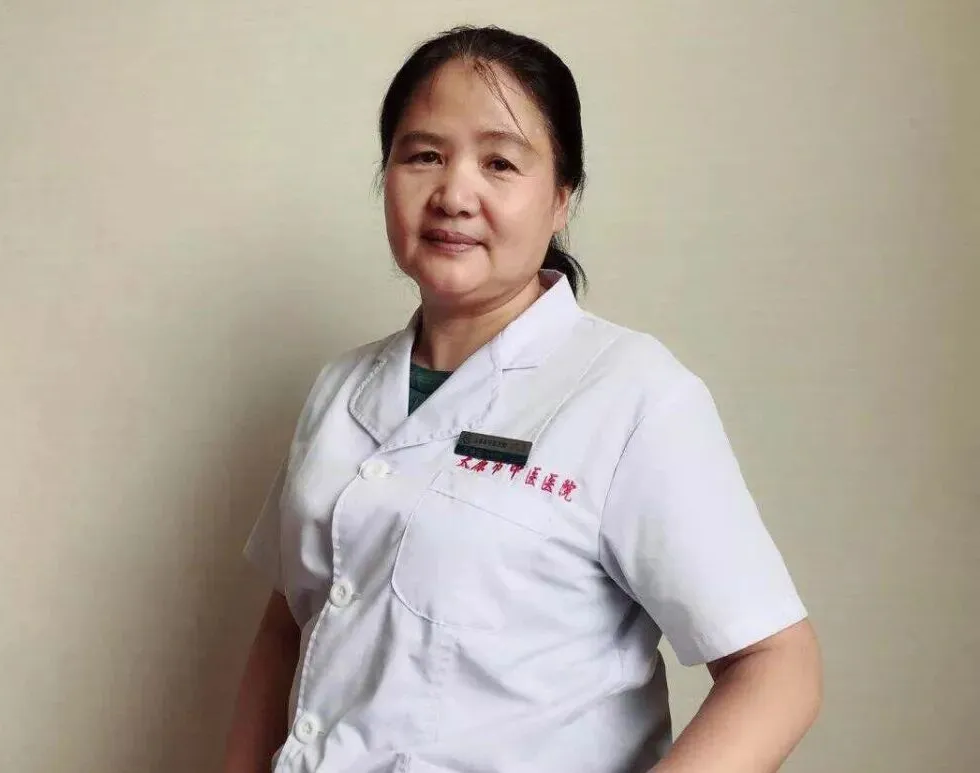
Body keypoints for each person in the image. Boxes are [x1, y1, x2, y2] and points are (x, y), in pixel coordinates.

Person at [224, 25, 822, 773]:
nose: (454, 195)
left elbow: (778, 667)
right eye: (423, 156)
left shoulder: (633, 394)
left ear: (562, 197)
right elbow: (290, 622)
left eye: (500, 162)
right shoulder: (340, 387)